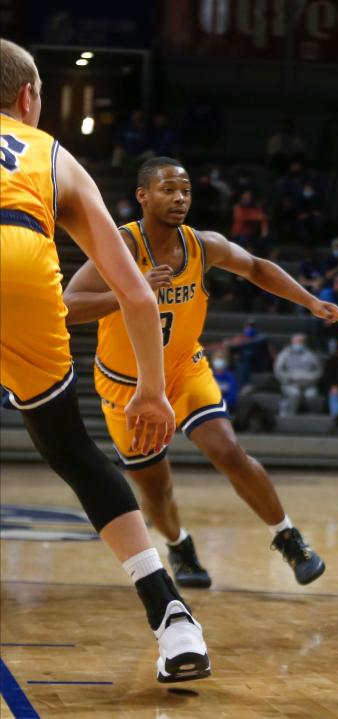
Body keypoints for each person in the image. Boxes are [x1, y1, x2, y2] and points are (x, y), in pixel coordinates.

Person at [0, 39, 209, 683]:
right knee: (72, 452)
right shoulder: (50, 154)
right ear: (29, 97)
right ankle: (172, 618)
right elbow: (136, 294)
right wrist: (152, 390)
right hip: (21, 259)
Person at [62, 157, 338, 591]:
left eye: (186, 190)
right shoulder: (120, 246)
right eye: (168, 190)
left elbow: (255, 267)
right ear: (142, 195)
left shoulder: (203, 245)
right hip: (128, 385)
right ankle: (179, 545)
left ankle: (287, 536)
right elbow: (69, 304)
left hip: (184, 370)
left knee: (229, 451)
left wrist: (310, 301)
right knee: (156, 490)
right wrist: (130, 289)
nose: (179, 198)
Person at [274, 333, 323, 416]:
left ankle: (313, 414)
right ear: (291, 341)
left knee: (311, 395)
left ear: (304, 342)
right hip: (290, 383)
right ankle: (290, 414)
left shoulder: (311, 355)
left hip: (309, 383)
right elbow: (278, 370)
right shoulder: (284, 354)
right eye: (296, 341)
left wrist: (311, 379)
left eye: (300, 341)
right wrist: (288, 378)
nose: (298, 343)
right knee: (295, 394)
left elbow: (319, 370)